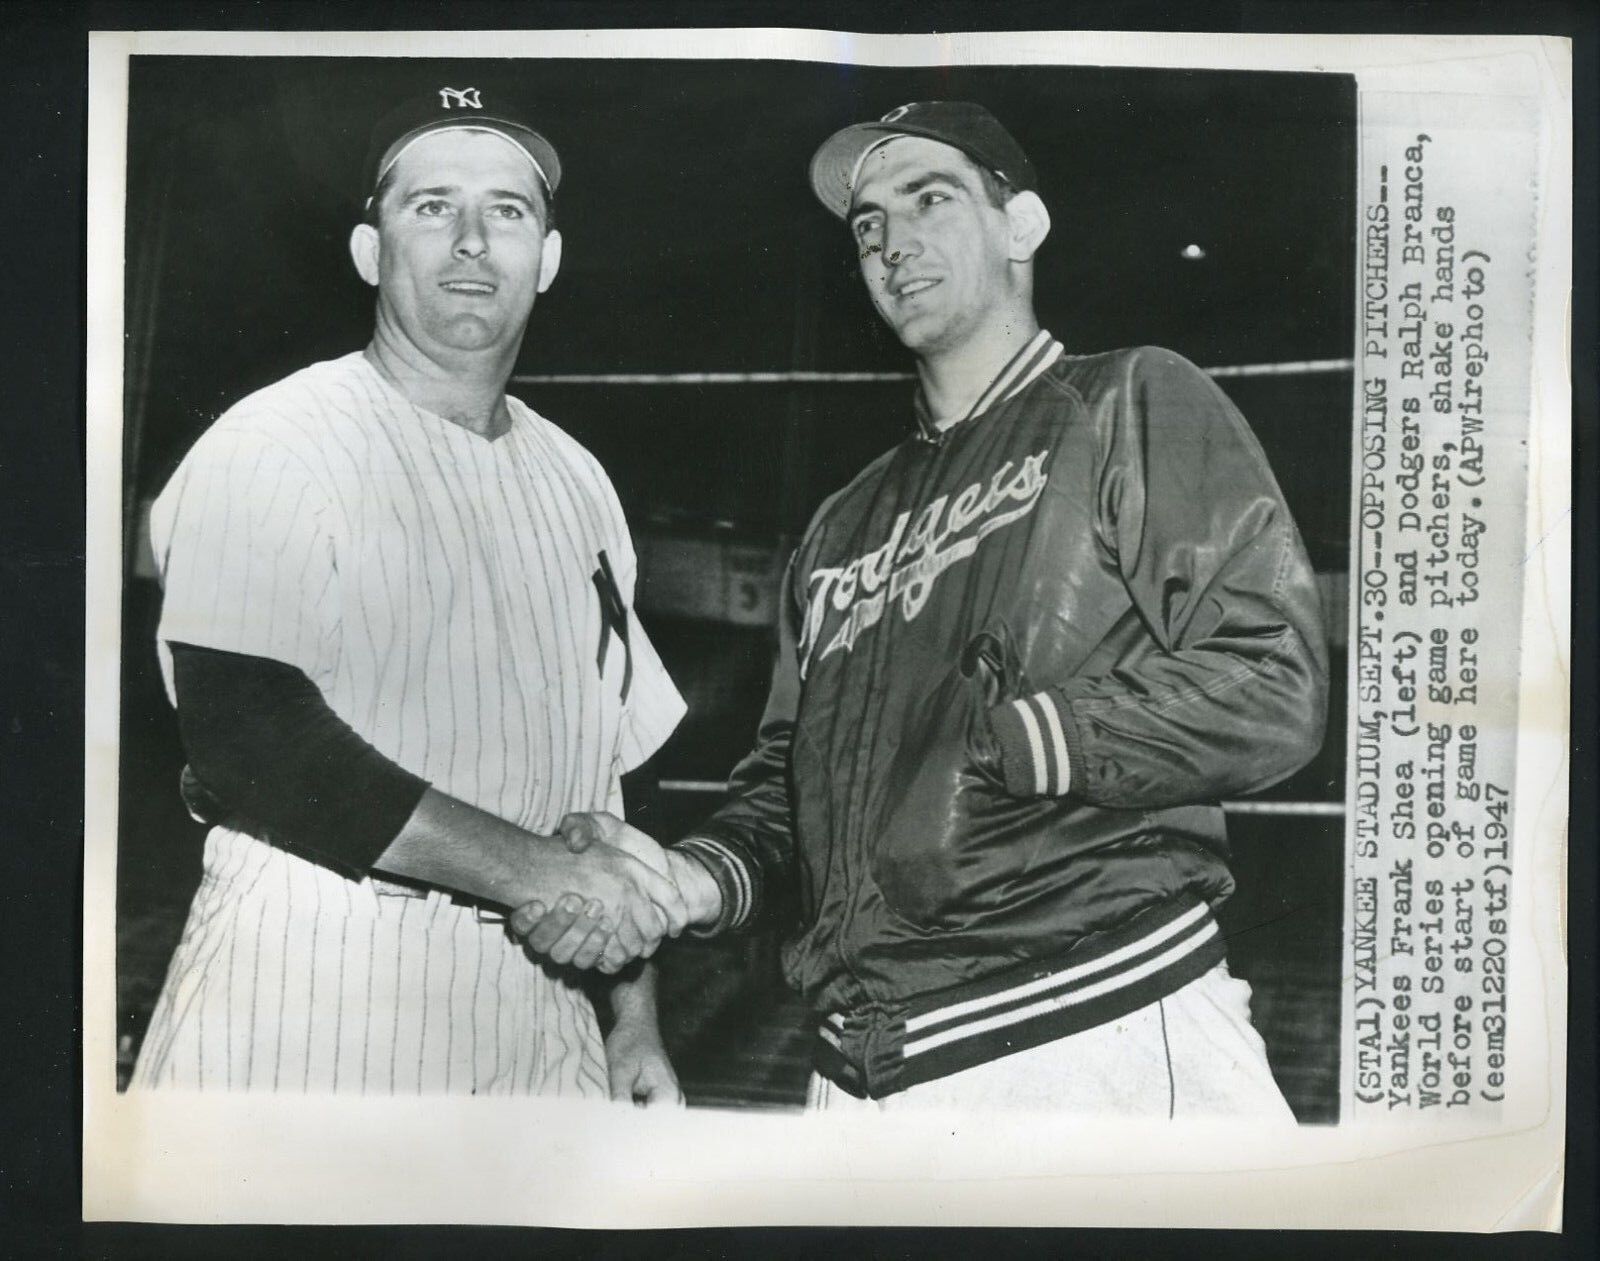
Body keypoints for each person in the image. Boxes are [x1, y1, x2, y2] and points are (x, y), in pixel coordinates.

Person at [517, 100, 1329, 1117]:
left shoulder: (1130, 400)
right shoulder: (838, 525)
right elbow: (787, 780)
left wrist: (1003, 741)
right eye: (866, 227)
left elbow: (1270, 680)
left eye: (929, 199)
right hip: (858, 1069)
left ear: (1020, 225)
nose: (892, 242)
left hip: (1093, 1024)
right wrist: (693, 877)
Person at [130, 85, 690, 1102]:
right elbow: (250, 736)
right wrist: (540, 875)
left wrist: (636, 1017)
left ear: (547, 261)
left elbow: (612, 778)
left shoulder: (581, 482)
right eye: (432, 206)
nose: (473, 241)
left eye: (507, 212)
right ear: (368, 250)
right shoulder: (278, 437)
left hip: (541, 1007)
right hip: (313, 989)